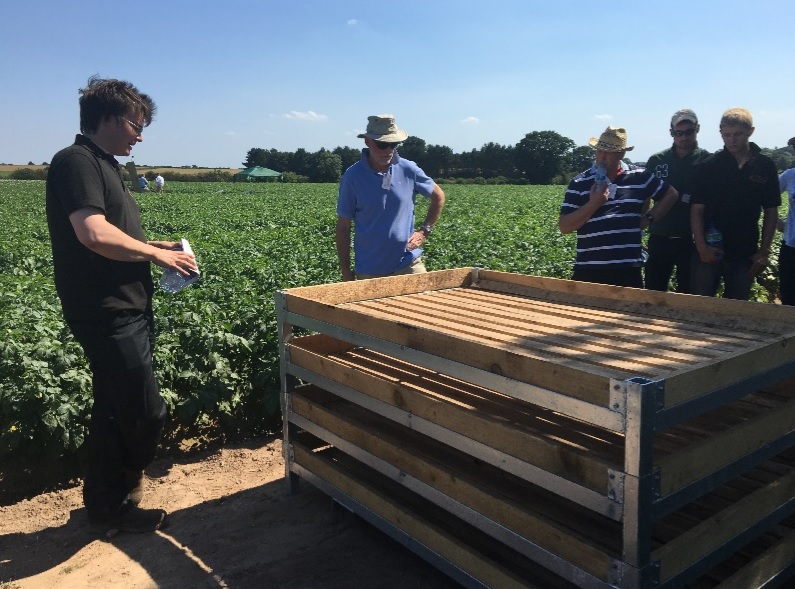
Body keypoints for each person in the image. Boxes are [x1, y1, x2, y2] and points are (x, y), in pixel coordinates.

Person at [45, 76, 198, 535]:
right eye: (136, 123)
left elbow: (115, 235)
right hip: (105, 309)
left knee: (114, 406)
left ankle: (108, 502)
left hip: (127, 304)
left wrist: (158, 244)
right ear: (109, 118)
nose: (140, 134)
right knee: (142, 411)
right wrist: (157, 255)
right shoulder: (76, 162)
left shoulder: (105, 165)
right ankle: (120, 494)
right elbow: (92, 233)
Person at [559, 126, 679, 288]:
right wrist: (594, 203)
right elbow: (565, 226)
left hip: (627, 269)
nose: (602, 156)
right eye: (599, 151)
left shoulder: (639, 176)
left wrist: (648, 219)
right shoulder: (580, 182)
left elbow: (670, 194)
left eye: (608, 152)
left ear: (621, 153)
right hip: (589, 268)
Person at [336, 114, 445, 281]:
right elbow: (343, 228)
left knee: (425, 304)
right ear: (368, 142)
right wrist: (345, 272)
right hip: (370, 269)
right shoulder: (353, 177)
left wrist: (424, 231)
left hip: (408, 263)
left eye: (393, 145)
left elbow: (438, 196)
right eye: (382, 145)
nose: (388, 151)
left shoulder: (409, 169)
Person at [690, 108, 780, 300]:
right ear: (720, 133)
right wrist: (701, 247)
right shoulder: (708, 166)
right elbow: (697, 210)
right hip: (711, 249)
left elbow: (771, 210)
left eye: (737, 134)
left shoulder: (764, 165)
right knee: (701, 305)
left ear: (750, 131)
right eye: (727, 135)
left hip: (745, 253)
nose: (731, 140)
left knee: (737, 309)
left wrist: (764, 251)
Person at [644, 109, 710, 293]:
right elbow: (645, 198)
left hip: (692, 240)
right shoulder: (657, 160)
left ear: (698, 129)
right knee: (653, 292)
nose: (684, 137)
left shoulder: (707, 161)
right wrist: (640, 227)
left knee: (688, 294)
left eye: (689, 132)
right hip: (659, 236)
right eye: (678, 133)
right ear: (671, 132)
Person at [776, 136, 795, 305]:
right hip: (791, 246)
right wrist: (777, 223)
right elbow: (767, 200)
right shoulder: (789, 176)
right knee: (789, 298)